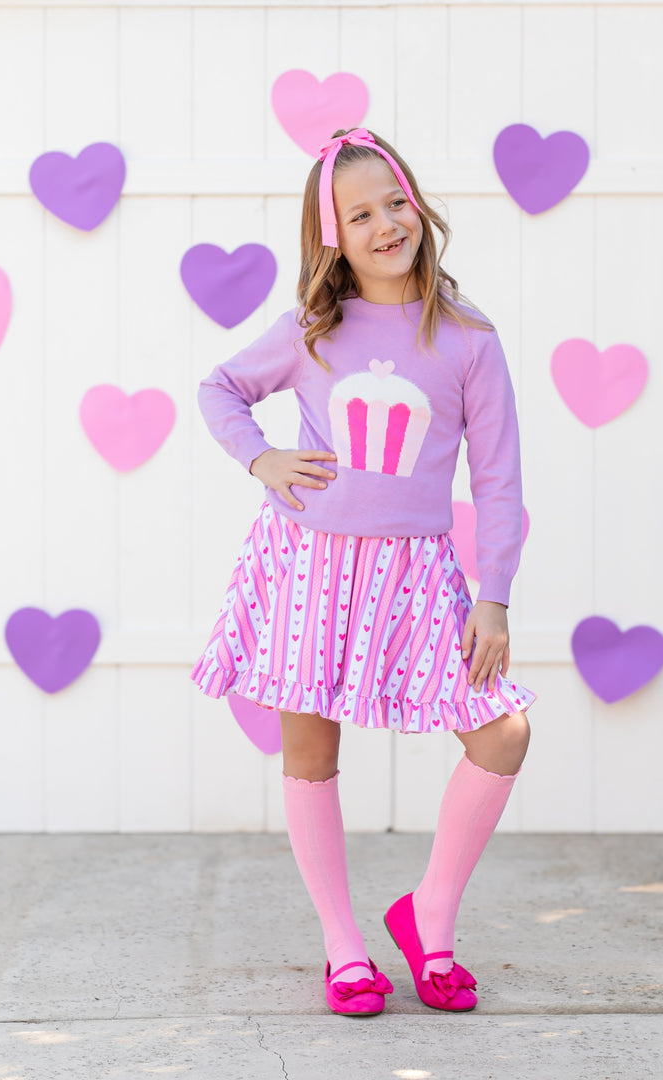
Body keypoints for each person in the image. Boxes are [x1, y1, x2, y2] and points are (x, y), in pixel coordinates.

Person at [192, 128, 535, 1016]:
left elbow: (498, 481)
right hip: (308, 565)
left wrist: (491, 598)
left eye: (395, 201)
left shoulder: (469, 340)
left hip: (419, 577)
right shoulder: (313, 329)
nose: (386, 223)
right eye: (360, 212)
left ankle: (429, 918)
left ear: (417, 203)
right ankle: (344, 947)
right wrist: (262, 460)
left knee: (501, 733)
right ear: (332, 234)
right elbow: (219, 389)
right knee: (310, 750)